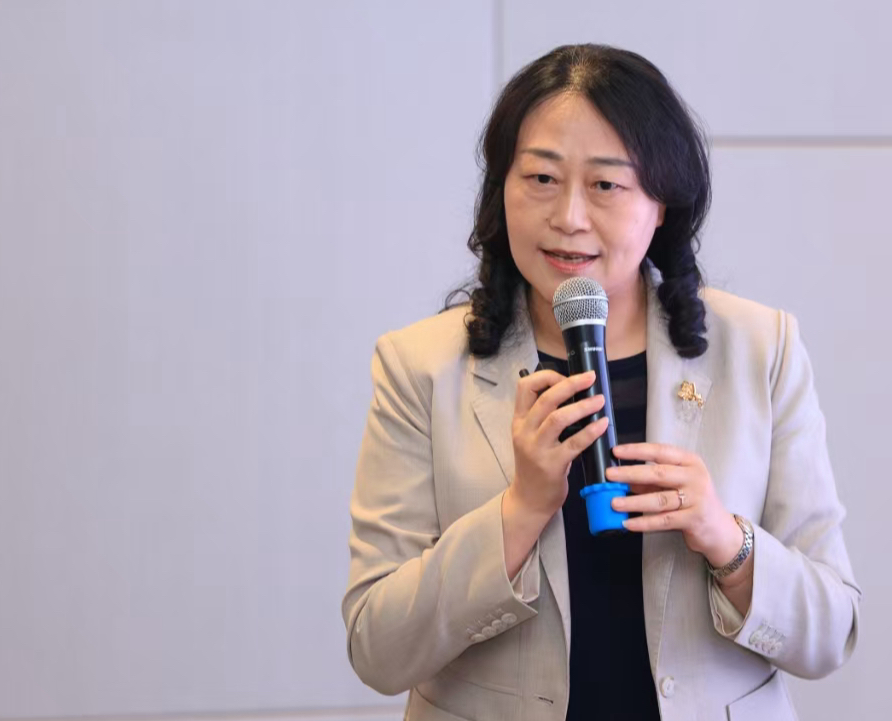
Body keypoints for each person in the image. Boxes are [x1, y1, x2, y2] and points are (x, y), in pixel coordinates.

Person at [342, 43, 860, 721]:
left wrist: (724, 537)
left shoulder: (761, 349)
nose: (569, 217)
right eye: (541, 178)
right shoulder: (420, 366)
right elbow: (377, 648)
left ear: (661, 203)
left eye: (606, 185)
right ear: (501, 190)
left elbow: (831, 631)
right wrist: (519, 510)